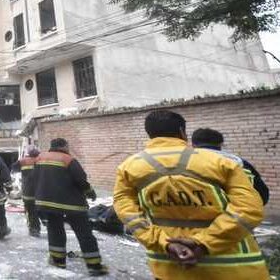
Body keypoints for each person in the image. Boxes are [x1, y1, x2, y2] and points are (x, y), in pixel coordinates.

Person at [113, 110, 270, 280]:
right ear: (182, 132)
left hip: (170, 268)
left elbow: (128, 214)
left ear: (149, 134)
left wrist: (163, 243)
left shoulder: (128, 168)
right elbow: (249, 210)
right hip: (234, 269)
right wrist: (203, 244)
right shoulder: (222, 163)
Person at [33, 138, 109, 276]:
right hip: (72, 204)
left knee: (55, 231)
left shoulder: (40, 158)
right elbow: (81, 180)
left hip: (48, 203)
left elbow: (35, 178)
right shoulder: (68, 159)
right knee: (84, 233)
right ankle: (94, 266)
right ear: (64, 146)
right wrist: (90, 192)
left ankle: (58, 261)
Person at [191, 128, 269, 205]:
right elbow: (262, 195)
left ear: (193, 145)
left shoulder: (185, 162)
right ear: (221, 144)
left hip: (193, 212)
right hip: (235, 212)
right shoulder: (239, 162)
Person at [11, 145, 41, 237]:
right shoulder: (42, 160)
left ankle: (34, 229)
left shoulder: (23, 161)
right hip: (42, 192)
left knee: (30, 211)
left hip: (28, 192)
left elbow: (13, 168)